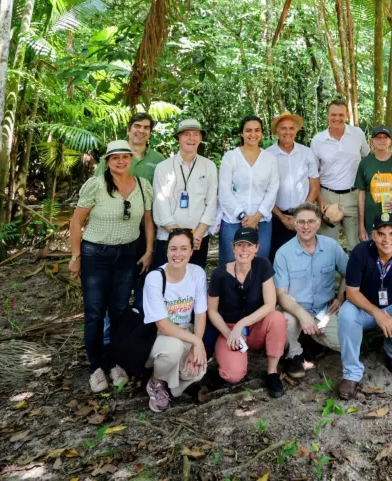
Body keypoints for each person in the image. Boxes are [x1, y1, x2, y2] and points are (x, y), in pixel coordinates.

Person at [69, 140, 155, 392]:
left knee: (119, 309)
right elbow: (76, 223)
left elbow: (148, 221)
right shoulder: (96, 185)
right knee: (95, 312)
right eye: (115, 157)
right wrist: (75, 257)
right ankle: (96, 366)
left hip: (127, 255)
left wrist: (149, 250)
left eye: (125, 157)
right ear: (107, 162)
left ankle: (116, 361)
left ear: (131, 160)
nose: (121, 161)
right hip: (96, 254)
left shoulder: (142, 185)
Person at [336, 212, 392, 399]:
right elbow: (351, 292)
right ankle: (351, 373)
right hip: (364, 307)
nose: (387, 239)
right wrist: (377, 314)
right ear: (373, 235)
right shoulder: (360, 253)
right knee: (346, 315)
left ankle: (391, 350)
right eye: (381, 233)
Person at [93, 113, 165, 342]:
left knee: (145, 286)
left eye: (146, 127)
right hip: (114, 237)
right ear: (128, 129)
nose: (141, 131)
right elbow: (95, 193)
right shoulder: (116, 155)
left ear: (150, 132)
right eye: (137, 126)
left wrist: (151, 247)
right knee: (114, 290)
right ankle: (108, 342)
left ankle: (139, 340)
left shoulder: (158, 159)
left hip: (146, 233)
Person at [206, 227, 288, 398]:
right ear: (233, 247)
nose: (244, 250)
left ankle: (272, 372)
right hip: (229, 329)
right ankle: (232, 358)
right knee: (233, 375)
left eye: (249, 245)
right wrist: (229, 333)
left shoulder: (263, 265)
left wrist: (242, 324)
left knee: (277, 318)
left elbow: (270, 304)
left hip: (256, 327)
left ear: (256, 248)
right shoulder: (219, 274)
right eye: (240, 245)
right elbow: (212, 311)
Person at [274, 203, 348, 378]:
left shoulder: (331, 246)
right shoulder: (283, 253)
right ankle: (294, 354)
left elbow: (349, 273)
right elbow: (281, 294)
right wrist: (302, 314)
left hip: (325, 310)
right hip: (294, 309)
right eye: (301, 222)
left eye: (310, 221)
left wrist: (340, 297)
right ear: (294, 224)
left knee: (343, 342)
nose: (305, 226)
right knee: (286, 321)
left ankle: (313, 340)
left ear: (318, 223)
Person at [142, 229, 208, 412]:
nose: (177, 254)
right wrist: (196, 341)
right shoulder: (155, 278)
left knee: (198, 368)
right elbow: (162, 324)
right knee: (174, 349)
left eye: (183, 249)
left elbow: (201, 313)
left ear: (191, 251)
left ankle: (171, 384)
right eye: (173, 249)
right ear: (167, 251)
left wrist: (197, 344)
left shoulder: (197, 273)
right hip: (158, 335)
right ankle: (156, 381)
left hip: (186, 330)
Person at [152, 119, 218, 268]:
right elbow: (160, 203)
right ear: (178, 139)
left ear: (201, 139)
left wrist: (199, 234)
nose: (191, 138)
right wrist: (178, 236)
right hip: (168, 237)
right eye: (186, 134)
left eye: (196, 134)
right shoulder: (163, 167)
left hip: (198, 238)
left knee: (193, 281)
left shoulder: (209, 166)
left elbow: (212, 202)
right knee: (167, 282)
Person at [218, 116, 279, 264]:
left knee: (259, 263)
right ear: (241, 133)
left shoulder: (269, 158)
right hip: (233, 219)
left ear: (262, 133)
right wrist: (243, 217)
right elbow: (224, 191)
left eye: (257, 130)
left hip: (262, 220)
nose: (253, 134)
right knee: (231, 264)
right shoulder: (231, 157)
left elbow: (273, 189)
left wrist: (257, 217)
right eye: (248, 130)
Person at [311, 99, 370, 252]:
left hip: (353, 195)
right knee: (327, 244)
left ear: (347, 115)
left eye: (341, 115)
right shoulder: (318, 140)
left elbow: (369, 157)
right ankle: (329, 275)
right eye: (333, 115)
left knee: (356, 244)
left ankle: (349, 276)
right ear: (327, 116)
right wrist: (320, 199)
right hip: (327, 195)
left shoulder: (357, 134)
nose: (337, 118)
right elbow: (313, 174)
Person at [266, 112, 320, 261]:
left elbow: (314, 185)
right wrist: (282, 218)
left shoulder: (307, 153)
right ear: (277, 131)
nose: (287, 132)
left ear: (296, 130)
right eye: (283, 128)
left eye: (291, 128)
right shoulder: (267, 155)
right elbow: (264, 191)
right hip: (276, 217)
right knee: (277, 258)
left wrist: (301, 214)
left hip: (303, 218)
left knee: (304, 257)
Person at [354, 125, 392, 247]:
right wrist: (361, 226)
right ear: (372, 141)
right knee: (374, 263)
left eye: (385, 137)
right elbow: (361, 194)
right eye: (378, 137)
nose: (382, 140)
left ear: (390, 141)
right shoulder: (365, 163)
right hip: (372, 224)